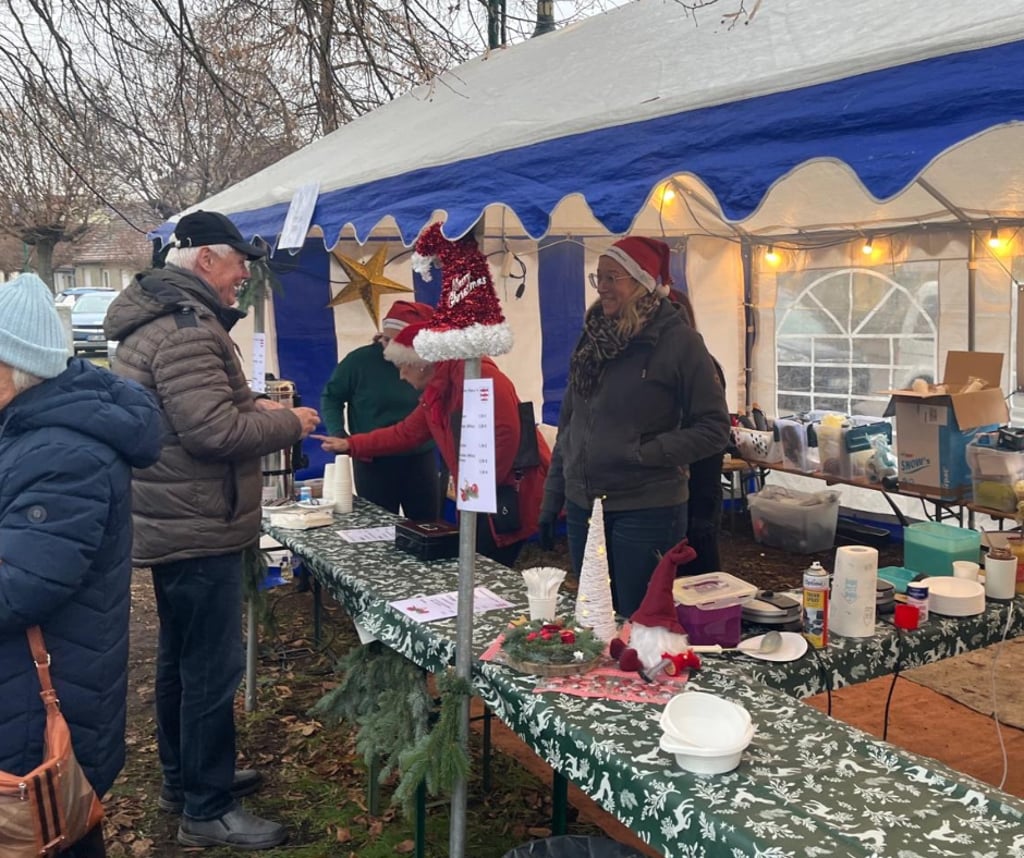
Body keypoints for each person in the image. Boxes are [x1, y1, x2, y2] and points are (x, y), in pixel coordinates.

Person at [104, 210, 321, 851]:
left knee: (180, 660)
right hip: (198, 523)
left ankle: (187, 778)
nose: (243, 278)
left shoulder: (162, 322)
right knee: (209, 670)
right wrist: (290, 422)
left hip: (177, 518)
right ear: (206, 261)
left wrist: (244, 402)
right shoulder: (189, 330)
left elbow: (193, 414)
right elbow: (213, 433)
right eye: (238, 264)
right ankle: (206, 805)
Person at [0, 273, 162, 858]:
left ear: (17, 368)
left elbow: (21, 586)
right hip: (30, 688)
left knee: (47, 827)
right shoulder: (26, 430)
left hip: (40, 700)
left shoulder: (65, 453)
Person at [538, 237, 730, 615]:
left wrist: (645, 453)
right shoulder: (591, 339)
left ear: (643, 282)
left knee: (637, 618)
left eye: (613, 277)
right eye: (598, 278)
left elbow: (714, 428)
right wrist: (552, 499)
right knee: (591, 615)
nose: (603, 287)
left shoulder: (679, 343)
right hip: (583, 505)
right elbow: (570, 426)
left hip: (646, 508)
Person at [313, 320, 550, 567]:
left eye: (403, 367)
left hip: (508, 494)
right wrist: (351, 445)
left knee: (484, 569)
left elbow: (505, 433)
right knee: (478, 567)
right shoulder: (437, 391)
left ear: (423, 364)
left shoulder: (478, 374)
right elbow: (405, 433)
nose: (401, 376)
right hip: (482, 495)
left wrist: (475, 490)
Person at [320, 300, 440, 520]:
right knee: (378, 527)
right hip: (372, 461)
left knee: (427, 525)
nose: (387, 344)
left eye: (395, 340)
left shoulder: (428, 365)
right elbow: (331, 397)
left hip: (418, 458)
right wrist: (338, 433)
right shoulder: (359, 362)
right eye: (385, 338)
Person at [669, 288, 728, 575]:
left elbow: (712, 435)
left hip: (698, 486)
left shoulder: (702, 365)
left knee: (699, 569)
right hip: (672, 487)